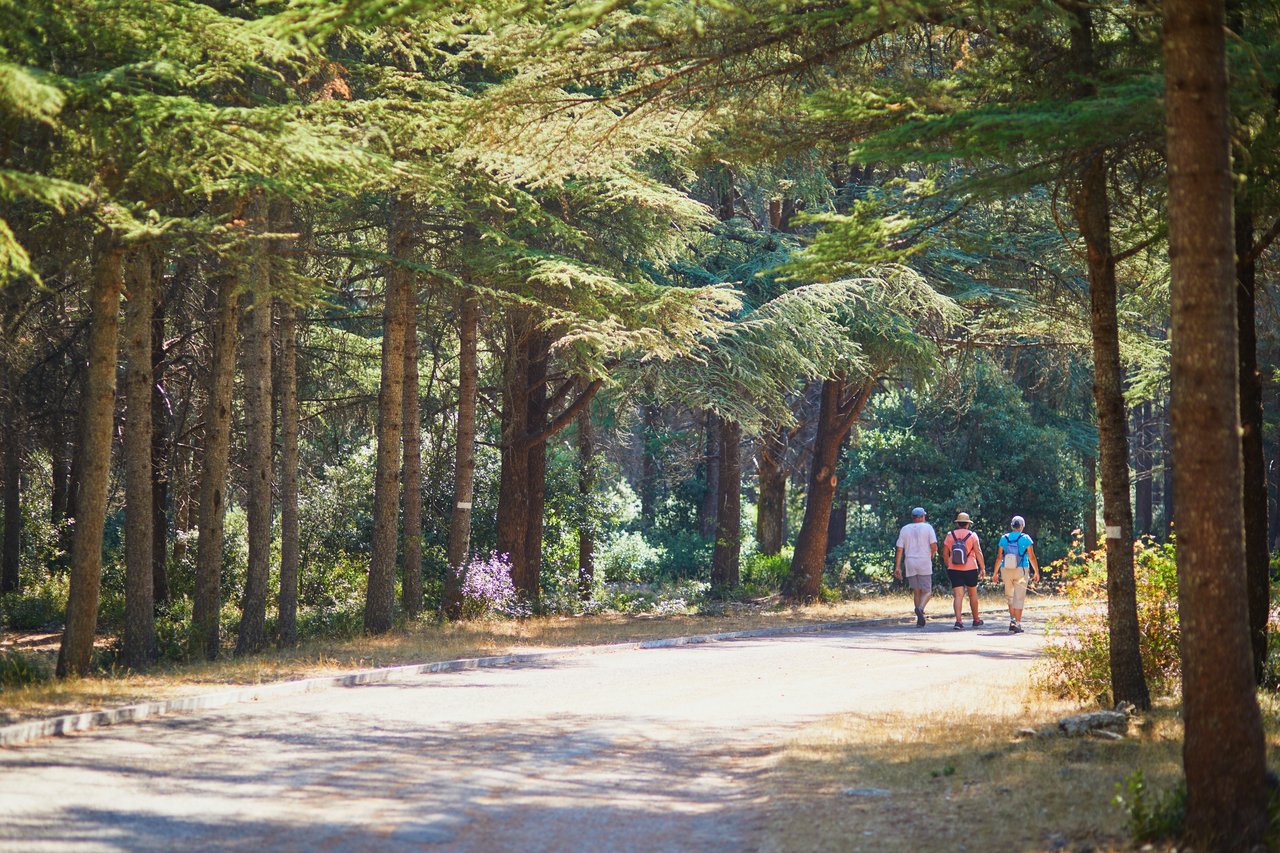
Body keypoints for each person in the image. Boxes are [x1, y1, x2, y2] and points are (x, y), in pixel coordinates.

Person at [992, 515, 1039, 633]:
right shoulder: (1026, 538)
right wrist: (1036, 571)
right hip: (1021, 569)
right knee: (1019, 596)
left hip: (1006, 569)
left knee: (1010, 595)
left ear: (1012, 526)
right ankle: (1018, 624)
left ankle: (1012, 620)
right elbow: (1032, 557)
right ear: (1022, 526)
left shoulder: (1004, 538)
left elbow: (999, 557)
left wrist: (995, 573)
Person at [894, 506, 937, 627]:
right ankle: (921, 609)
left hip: (910, 561)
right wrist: (932, 554)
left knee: (916, 591)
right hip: (924, 560)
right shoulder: (928, 527)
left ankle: (919, 619)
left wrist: (898, 566)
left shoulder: (905, 529)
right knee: (927, 590)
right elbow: (933, 545)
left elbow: (899, 549)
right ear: (922, 517)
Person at [943, 511, 986, 630]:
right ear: (968, 524)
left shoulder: (950, 535)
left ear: (958, 523)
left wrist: (949, 564)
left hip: (954, 569)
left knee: (958, 595)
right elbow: (978, 552)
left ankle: (958, 621)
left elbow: (945, 554)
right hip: (971, 568)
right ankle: (976, 619)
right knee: (973, 594)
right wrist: (982, 567)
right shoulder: (972, 535)